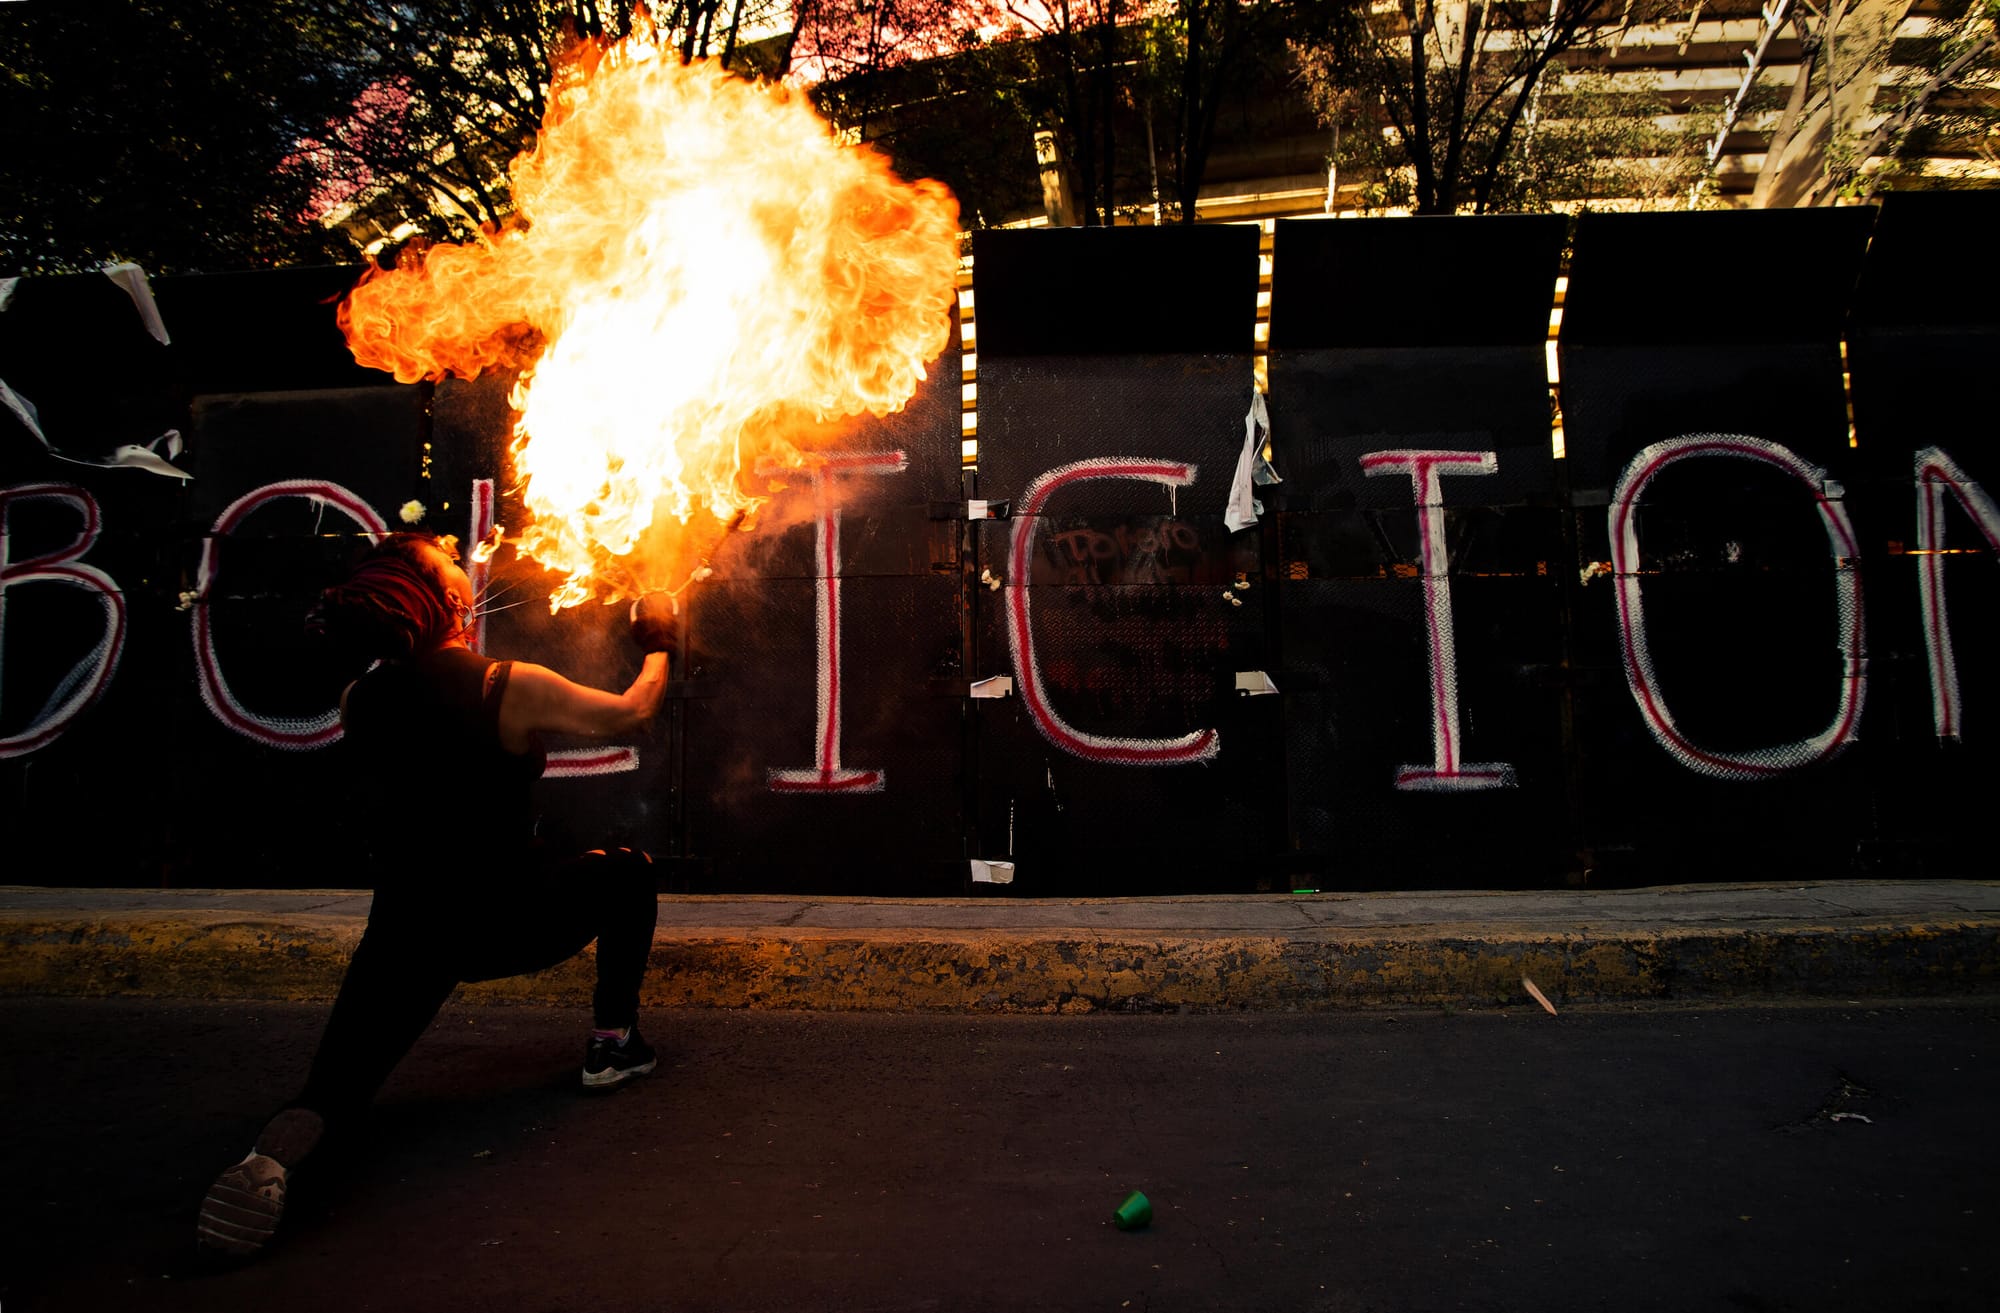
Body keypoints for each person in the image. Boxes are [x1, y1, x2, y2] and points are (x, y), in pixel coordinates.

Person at [197, 531, 677, 1260]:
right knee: (629, 870)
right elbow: (630, 712)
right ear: (450, 598)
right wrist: (659, 636)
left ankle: (269, 1161)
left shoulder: (362, 697)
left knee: (329, 1093)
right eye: (445, 556)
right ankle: (613, 1044)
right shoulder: (503, 685)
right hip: (509, 923)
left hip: (403, 938)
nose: (459, 550)